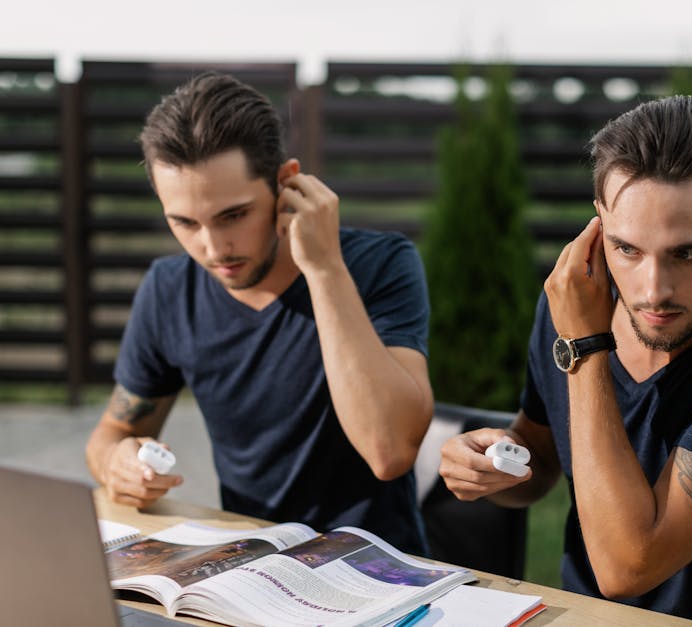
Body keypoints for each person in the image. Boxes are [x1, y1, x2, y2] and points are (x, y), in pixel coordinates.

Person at [439, 95, 692, 625]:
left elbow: (627, 567)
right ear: (598, 231)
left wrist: (585, 346)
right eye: (626, 249)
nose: (653, 291)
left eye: (688, 253)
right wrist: (489, 465)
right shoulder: (572, 306)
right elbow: (539, 458)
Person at [86, 72, 434, 555]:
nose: (212, 248)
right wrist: (116, 464)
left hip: (377, 568)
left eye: (233, 216)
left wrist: (325, 269)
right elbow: (113, 432)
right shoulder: (169, 289)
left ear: (287, 184)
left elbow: (390, 451)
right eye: (184, 222)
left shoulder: (380, 266)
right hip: (250, 567)